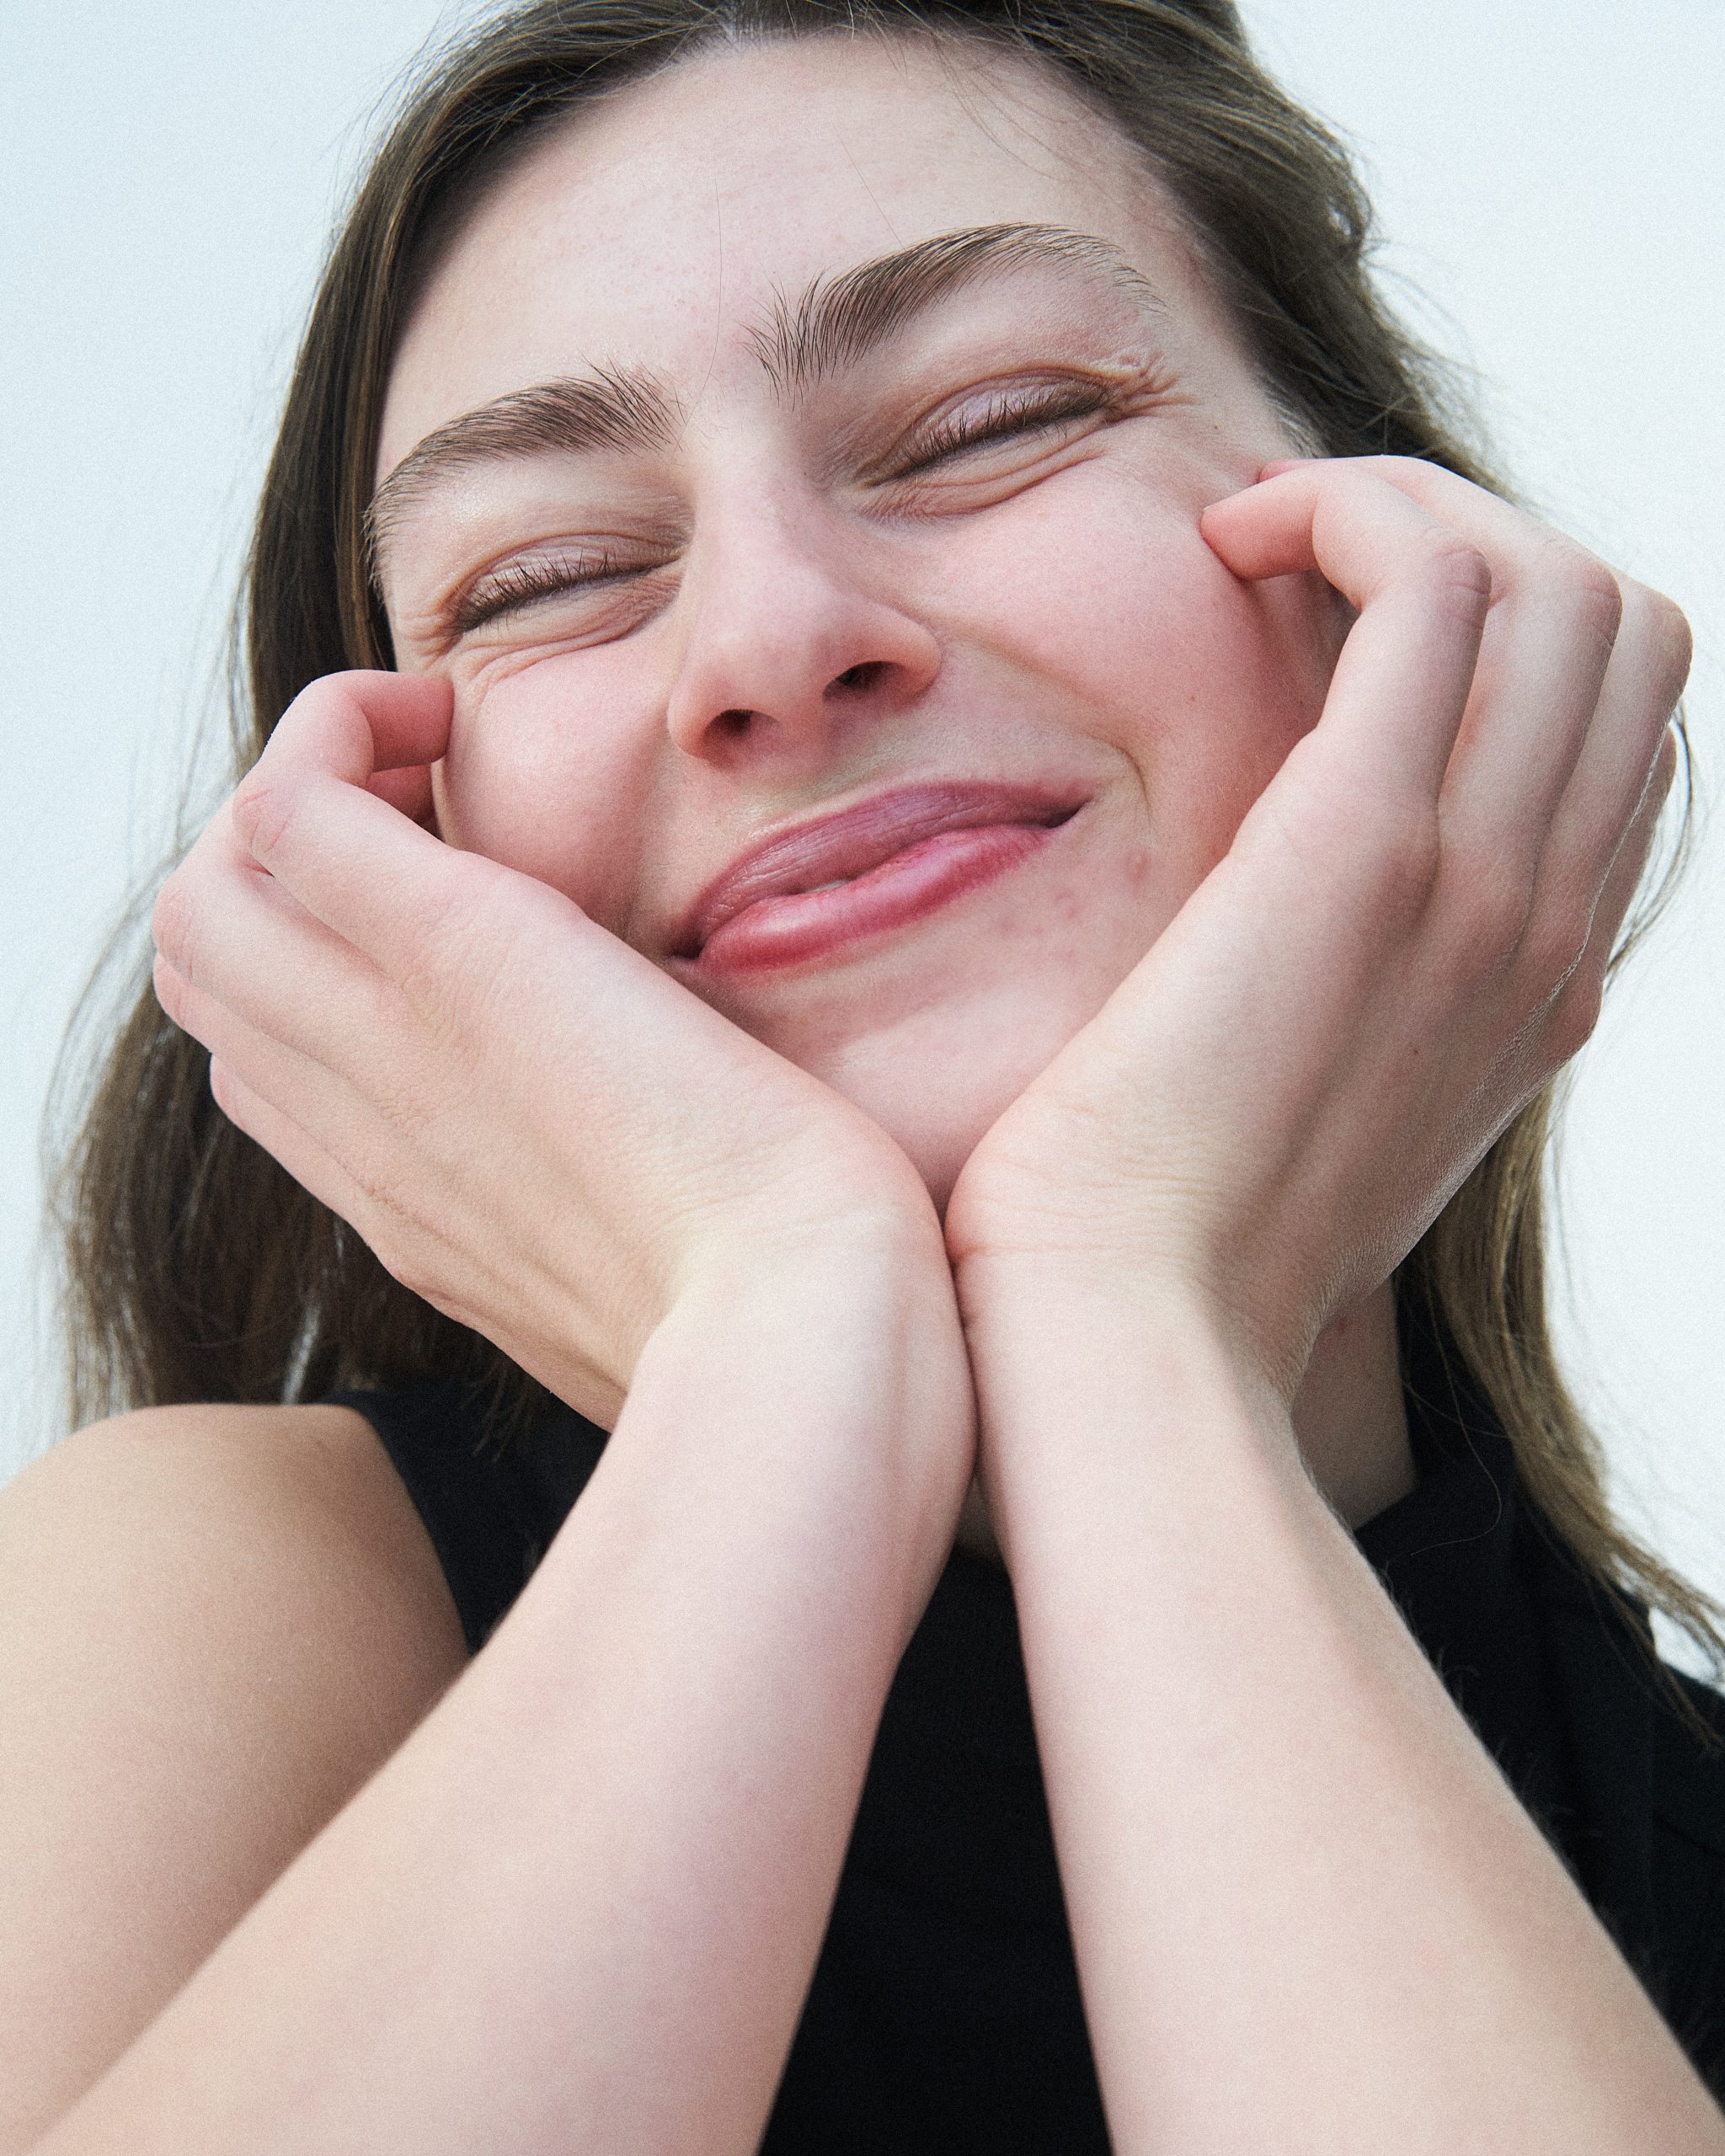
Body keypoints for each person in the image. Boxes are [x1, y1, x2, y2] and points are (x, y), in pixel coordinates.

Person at [5, 0, 1723, 2148]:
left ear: (1407, 576)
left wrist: (1123, 1302)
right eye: (546, 576)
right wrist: (785, 1325)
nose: (768, 640)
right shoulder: (230, 1599)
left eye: (987, 421)